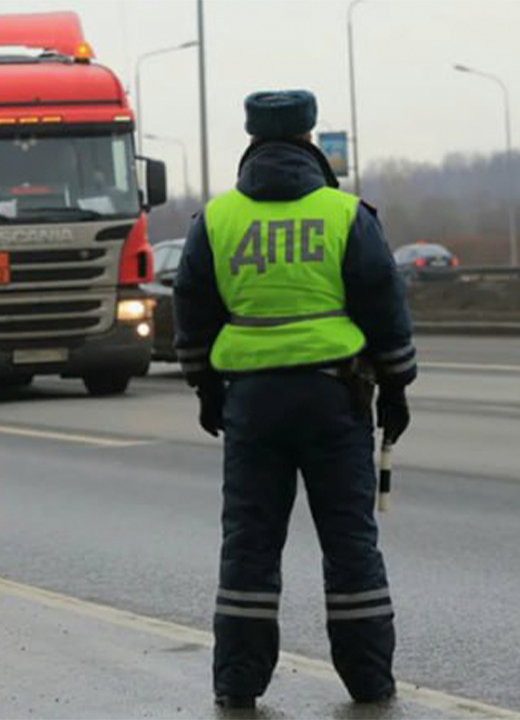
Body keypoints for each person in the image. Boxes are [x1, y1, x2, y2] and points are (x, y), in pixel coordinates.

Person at [173, 90, 416, 709]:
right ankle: (370, 682)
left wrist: (204, 387)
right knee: (350, 543)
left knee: (250, 545)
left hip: (251, 405)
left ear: (252, 143)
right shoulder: (345, 215)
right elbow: (384, 304)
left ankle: (237, 684)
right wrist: (396, 386)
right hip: (336, 400)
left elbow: (193, 310)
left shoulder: (217, 220)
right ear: (311, 141)